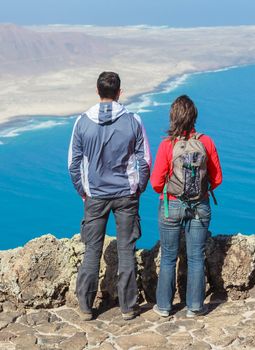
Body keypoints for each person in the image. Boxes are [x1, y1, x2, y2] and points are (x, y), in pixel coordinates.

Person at [68, 71, 151, 321]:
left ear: (97, 92)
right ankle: (128, 307)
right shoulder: (133, 121)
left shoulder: (82, 122)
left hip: (95, 196)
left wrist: (83, 192)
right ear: (119, 93)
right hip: (126, 195)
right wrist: (139, 187)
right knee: (126, 249)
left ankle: (85, 307)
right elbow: (144, 161)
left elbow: (73, 164)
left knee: (92, 250)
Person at [150, 95, 222, 318]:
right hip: (199, 206)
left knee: (169, 256)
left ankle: (163, 306)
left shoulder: (167, 145)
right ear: (194, 117)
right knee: (196, 257)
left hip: (171, 206)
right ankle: (195, 306)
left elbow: (155, 183)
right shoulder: (206, 142)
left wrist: (171, 189)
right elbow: (217, 178)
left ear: (173, 117)